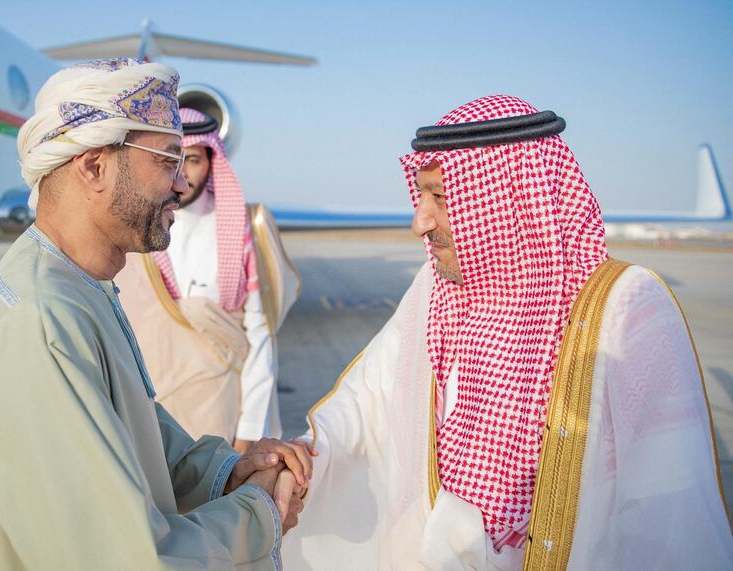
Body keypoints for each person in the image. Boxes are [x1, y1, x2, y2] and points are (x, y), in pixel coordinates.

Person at [283, 95, 733, 570]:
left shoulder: (627, 310)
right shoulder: (435, 289)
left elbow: (667, 523)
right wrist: (301, 459)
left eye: (441, 197)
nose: (420, 222)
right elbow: (368, 399)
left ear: (506, 200)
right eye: (420, 196)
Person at [0, 58, 311, 570]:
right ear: (94, 167)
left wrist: (228, 472)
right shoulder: (42, 321)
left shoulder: (81, 287)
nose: (181, 185)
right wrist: (261, 510)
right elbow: (129, 558)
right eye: (165, 161)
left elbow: (136, 436)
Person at [115, 107, 282, 452]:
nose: (181, 174)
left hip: (219, 416)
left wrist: (249, 432)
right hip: (150, 413)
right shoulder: (137, 231)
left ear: (211, 160)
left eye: (191, 160)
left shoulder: (240, 229)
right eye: (170, 160)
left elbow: (260, 337)